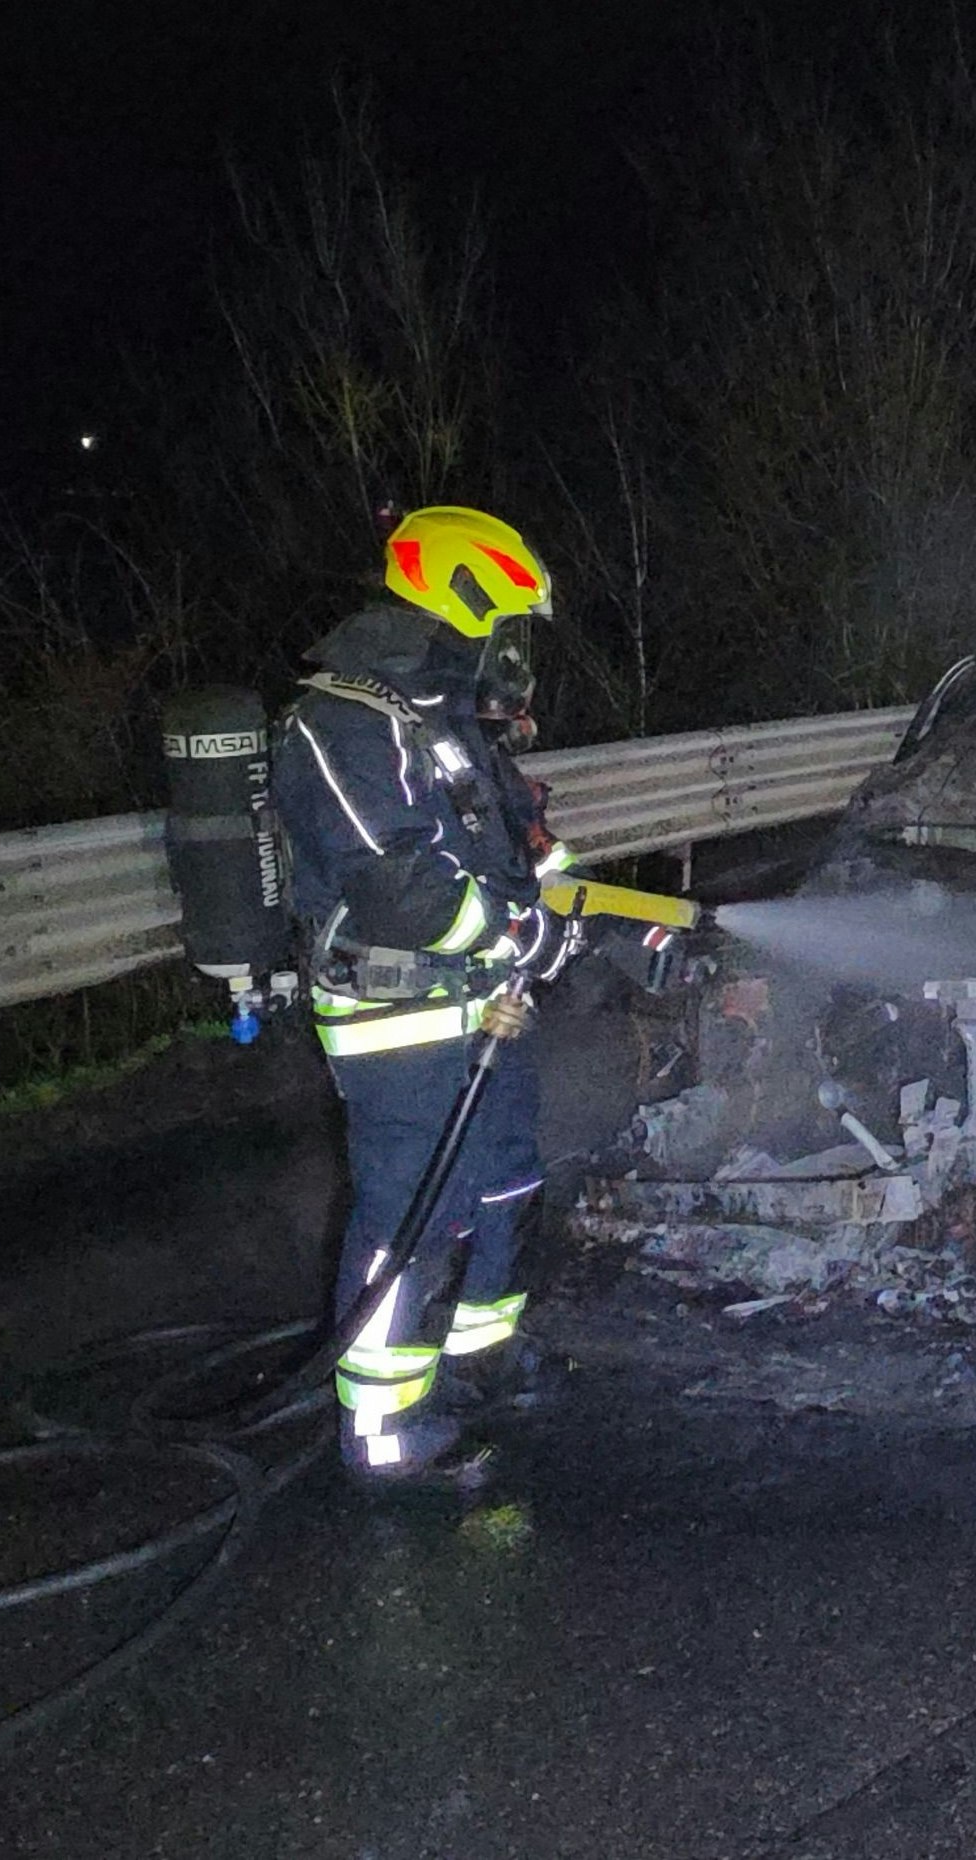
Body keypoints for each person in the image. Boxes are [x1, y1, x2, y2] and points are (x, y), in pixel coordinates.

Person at [275, 506, 585, 1491]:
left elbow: (514, 854)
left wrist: (576, 915)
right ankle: (381, 1428)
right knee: (414, 1213)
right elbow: (403, 888)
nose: (516, 653)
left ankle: (481, 1360)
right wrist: (517, 932)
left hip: (490, 1008)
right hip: (396, 1016)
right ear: (459, 605)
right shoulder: (344, 721)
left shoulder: (445, 721)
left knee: (504, 1183)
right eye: (508, 626)